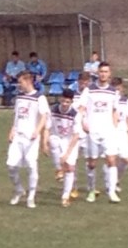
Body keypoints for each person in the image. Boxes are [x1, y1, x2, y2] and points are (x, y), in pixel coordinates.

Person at [78, 60, 121, 203]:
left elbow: (115, 111)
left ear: (110, 74)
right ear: (97, 73)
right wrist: (83, 121)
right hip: (93, 132)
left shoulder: (114, 92)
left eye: (106, 72)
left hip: (108, 131)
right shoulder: (89, 90)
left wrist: (115, 128)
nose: (103, 74)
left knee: (111, 160)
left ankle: (112, 192)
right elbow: (81, 108)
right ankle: (91, 190)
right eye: (101, 71)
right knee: (92, 163)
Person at [6, 70, 49, 209]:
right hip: (18, 136)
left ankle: (31, 197)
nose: (19, 85)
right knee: (11, 166)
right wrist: (12, 129)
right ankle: (19, 189)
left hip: (31, 138)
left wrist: (37, 131)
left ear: (28, 81)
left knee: (31, 166)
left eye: (21, 82)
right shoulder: (19, 97)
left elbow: (44, 116)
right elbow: (17, 115)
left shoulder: (39, 97)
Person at [45, 88, 81, 207]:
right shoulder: (53, 110)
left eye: (67, 102)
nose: (65, 104)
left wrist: (67, 154)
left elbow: (76, 135)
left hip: (70, 141)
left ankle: (65, 196)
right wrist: (44, 142)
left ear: (71, 102)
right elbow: (47, 128)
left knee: (70, 168)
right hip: (57, 137)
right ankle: (58, 169)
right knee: (53, 142)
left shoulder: (75, 115)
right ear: (60, 99)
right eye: (63, 101)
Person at [112, 77, 128, 193]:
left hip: (122, 132)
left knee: (126, 159)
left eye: (119, 88)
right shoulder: (108, 100)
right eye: (115, 88)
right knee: (112, 159)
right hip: (110, 131)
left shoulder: (125, 101)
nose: (117, 90)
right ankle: (111, 184)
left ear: (122, 88)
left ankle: (116, 179)